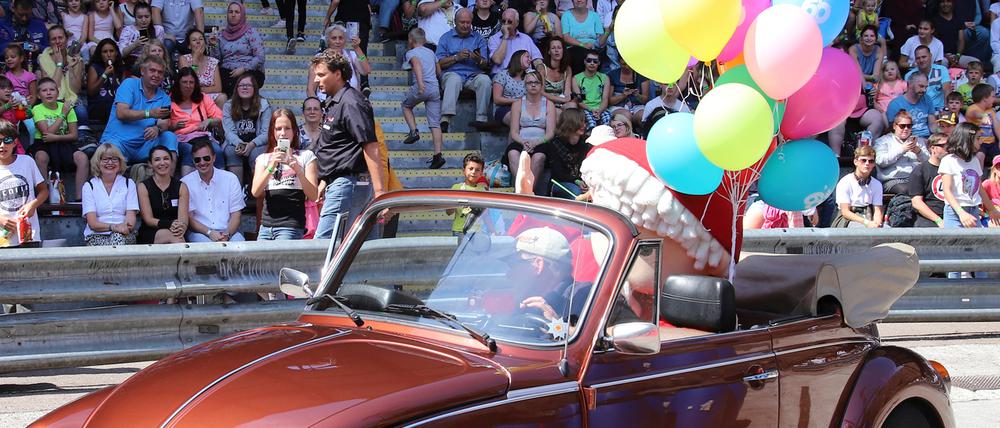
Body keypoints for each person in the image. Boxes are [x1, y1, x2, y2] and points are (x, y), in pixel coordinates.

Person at [311, 49, 386, 239]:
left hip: (349, 183)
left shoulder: (351, 102)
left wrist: (380, 192)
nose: (316, 80)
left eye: (321, 75)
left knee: (324, 246)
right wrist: (324, 179)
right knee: (360, 246)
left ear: (337, 74)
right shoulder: (335, 101)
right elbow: (336, 146)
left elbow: (370, 145)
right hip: (343, 182)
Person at [250, 109, 319, 240]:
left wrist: (297, 168)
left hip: (291, 226)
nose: (283, 133)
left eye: (287, 128)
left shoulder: (306, 156)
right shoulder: (263, 158)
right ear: (273, 132)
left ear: (294, 131)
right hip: (266, 227)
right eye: (278, 129)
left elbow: (313, 195)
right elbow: (256, 192)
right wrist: (272, 165)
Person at [102, 55, 177, 163]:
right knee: (110, 150)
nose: (156, 75)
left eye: (160, 72)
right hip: (119, 142)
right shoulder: (129, 84)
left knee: (169, 137)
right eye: (152, 70)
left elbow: (164, 123)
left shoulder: (164, 98)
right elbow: (121, 113)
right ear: (142, 71)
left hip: (144, 146)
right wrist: (149, 113)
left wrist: (157, 129)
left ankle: (169, 179)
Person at [508, 227, 589, 324]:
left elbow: (593, 338)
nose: (508, 274)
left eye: (513, 265)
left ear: (538, 265)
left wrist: (556, 325)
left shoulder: (584, 298)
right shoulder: (524, 296)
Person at [31, 78, 89, 200]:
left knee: (82, 158)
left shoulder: (67, 107)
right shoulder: (37, 109)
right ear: (39, 95)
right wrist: (62, 114)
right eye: (44, 90)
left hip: (64, 142)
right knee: (41, 157)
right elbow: (46, 134)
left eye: (52, 89)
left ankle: (80, 198)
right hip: (43, 143)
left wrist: (56, 137)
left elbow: (74, 135)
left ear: (57, 93)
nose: (48, 93)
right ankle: (44, 196)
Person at [940, 122, 1000, 240]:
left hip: (973, 210)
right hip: (955, 212)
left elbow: (980, 189)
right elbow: (947, 191)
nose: (981, 142)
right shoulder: (948, 161)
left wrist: (992, 209)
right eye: (978, 138)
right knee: (955, 247)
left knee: (974, 247)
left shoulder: (974, 160)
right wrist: (961, 213)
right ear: (967, 139)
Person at [436, 8, 492, 131]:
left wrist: (476, 59)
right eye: (462, 22)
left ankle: (481, 119)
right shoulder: (445, 38)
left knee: (485, 80)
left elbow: (485, 64)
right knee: (454, 79)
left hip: (473, 75)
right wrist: (457, 57)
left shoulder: (479, 39)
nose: (465, 25)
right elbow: (439, 63)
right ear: (455, 22)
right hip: (452, 73)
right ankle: (445, 119)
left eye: (468, 22)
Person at [182, 138, 245, 242]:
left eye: (206, 158)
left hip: (228, 231)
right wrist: (209, 232)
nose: (202, 162)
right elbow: (189, 218)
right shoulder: (185, 183)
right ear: (193, 161)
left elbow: (236, 214)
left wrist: (227, 234)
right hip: (200, 233)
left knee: (241, 245)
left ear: (214, 158)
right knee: (204, 247)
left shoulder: (230, 178)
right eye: (197, 159)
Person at [400, 28, 445, 169]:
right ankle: (438, 155)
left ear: (410, 40)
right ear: (424, 40)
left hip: (422, 86)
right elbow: (439, 71)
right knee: (435, 123)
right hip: (434, 88)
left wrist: (420, 83)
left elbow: (417, 64)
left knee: (406, 106)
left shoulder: (411, 52)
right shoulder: (431, 52)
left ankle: (414, 131)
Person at [38, 25, 89, 141]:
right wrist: (59, 64)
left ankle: (83, 139)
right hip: (52, 99)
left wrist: (70, 68)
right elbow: (52, 86)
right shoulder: (43, 58)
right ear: (49, 41)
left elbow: (76, 90)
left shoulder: (76, 59)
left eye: (60, 38)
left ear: (66, 39)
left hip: (70, 99)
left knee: (81, 111)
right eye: (53, 39)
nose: (57, 42)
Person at [0, 119, 46, 246]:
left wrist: (33, 205)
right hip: (3, 239)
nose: (2, 145)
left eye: (7, 140)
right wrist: (1, 219)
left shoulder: (27, 161)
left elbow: (44, 190)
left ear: (15, 142)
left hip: (29, 234)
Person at [82, 143, 139, 245]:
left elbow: (131, 218)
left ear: (120, 162)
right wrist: (113, 227)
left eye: (114, 159)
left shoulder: (128, 183)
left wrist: (123, 228)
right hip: (96, 235)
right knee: (116, 240)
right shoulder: (89, 186)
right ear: (98, 162)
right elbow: (92, 223)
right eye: (105, 159)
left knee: (118, 238)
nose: (110, 162)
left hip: (124, 234)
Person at [506, 70, 555, 187]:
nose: (533, 85)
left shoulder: (549, 104)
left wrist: (536, 143)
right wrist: (523, 142)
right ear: (525, 85)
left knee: (538, 157)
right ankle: (521, 188)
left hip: (542, 141)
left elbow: (550, 133)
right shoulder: (517, 104)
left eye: (537, 82)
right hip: (521, 140)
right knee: (513, 153)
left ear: (541, 85)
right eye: (530, 83)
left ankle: (528, 189)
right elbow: (513, 132)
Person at [172, 67, 224, 176]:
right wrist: (174, 126)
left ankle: (220, 184)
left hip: (202, 137)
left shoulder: (202, 98)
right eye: (184, 82)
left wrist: (209, 121)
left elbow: (220, 117)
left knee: (217, 151)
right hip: (181, 139)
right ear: (178, 83)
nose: (188, 85)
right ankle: (186, 186)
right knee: (190, 150)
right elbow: (164, 125)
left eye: (191, 82)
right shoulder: (169, 100)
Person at [222, 72, 271, 184]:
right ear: (236, 88)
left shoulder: (264, 105)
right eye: (241, 85)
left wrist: (251, 145)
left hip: (257, 143)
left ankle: (256, 191)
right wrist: (240, 144)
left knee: (257, 154)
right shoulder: (228, 105)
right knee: (231, 151)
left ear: (255, 88)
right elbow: (228, 132)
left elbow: (265, 133)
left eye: (248, 85)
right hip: (236, 143)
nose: (245, 87)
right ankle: (237, 192)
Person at [533, 107, 589, 199]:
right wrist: (577, 181)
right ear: (570, 123)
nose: (584, 125)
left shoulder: (586, 143)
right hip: (558, 183)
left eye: (584, 122)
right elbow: (559, 174)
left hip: (581, 182)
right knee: (577, 193)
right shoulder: (555, 144)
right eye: (580, 122)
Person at [137, 145, 188, 243]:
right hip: (151, 231)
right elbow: (148, 219)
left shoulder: (181, 187)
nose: (162, 163)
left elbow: (183, 219)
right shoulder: (143, 186)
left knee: (177, 236)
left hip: (175, 230)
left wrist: (181, 228)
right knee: (175, 237)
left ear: (172, 161)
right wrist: (169, 224)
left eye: (166, 159)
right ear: (150, 164)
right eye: (157, 160)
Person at [305, 25, 370, 100]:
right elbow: (310, 90)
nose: (337, 41)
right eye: (334, 38)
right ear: (328, 40)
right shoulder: (320, 58)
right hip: (326, 106)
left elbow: (366, 70)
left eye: (341, 38)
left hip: (350, 104)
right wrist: (317, 106)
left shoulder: (351, 55)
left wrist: (357, 48)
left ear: (345, 40)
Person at [874, 110, 930, 195]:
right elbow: (880, 161)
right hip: (892, 180)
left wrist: (919, 152)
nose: (906, 129)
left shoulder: (918, 141)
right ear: (894, 126)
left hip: (915, 179)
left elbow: (929, 162)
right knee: (908, 189)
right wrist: (902, 150)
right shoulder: (883, 141)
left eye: (909, 126)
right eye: (902, 126)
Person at [217, 1, 266, 97]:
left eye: (237, 12)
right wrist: (213, 45)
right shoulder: (221, 34)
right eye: (230, 12)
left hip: (249, 70)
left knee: (242, 81)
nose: (233, 15)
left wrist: (243, 69)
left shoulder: (250, 32)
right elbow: (216, 59)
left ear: (242, 14)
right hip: (228, 71)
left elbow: (260, 57)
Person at [833, 145, 883, 228]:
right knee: (862, 229)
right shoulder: (845, 182)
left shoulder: (877, 184)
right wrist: (866, 223)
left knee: (887, 230)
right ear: (855, 162)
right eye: (863, 160)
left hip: (868, 214)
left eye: (871, 161)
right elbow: (845, 212)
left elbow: (877, 210)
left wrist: (877, 223)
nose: (867, 163)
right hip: (848, 219)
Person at [908, 133, 949, 228]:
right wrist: (938, 220)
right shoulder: (920, 170)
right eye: (944, 146)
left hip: (951, 216)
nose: (948, 149)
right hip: (928, 219)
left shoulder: (953, 169)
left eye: (950, 145)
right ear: (932, 148)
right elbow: (916, 202)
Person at [87, 39, 127, 132]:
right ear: (100, 54)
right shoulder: (94, 67)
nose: (109, 55)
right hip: (99, 106)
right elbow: (91, 92)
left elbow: (123, 91)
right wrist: (105, 75)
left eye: (111, 51)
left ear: (116, 53)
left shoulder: (121, 68)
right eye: (105, 52)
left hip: (117, 107)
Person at [488, 9, 544, 76]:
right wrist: (505, 37)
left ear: (517, 23)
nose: (506, 24)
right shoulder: (493, 39)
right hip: (502, 76)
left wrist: (539, 67)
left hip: (524, 77)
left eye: (509, 21)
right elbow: (497, 60)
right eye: (503, 21)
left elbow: (537, 58)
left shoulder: (526, 39)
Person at [178, 28, 226, 107]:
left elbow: (218, 88)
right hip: (190, 95)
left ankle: (216, 119)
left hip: (208, 96)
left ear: (205, 43)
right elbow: (189, 81)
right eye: (194, 40)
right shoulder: (184, 59)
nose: (198, 42)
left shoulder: (213, 61)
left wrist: (200, 90)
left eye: (201, 39)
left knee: (222, 97)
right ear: (189, 46)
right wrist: (195, 60)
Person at [560, 0, 607, 74]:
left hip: (593, 47)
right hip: (574, 48)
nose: (579, 0)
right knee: (580, 55)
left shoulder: (595, 15)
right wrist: (582, 44)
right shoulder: (566, 15)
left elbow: (600, 36)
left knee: (597, 55)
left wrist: (594, 45)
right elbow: (566, 37)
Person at [887, 72, 935, 140]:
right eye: (921, 86)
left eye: (926, 87)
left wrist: (940, 131)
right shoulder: (895, 104)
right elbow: (894, 131)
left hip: (928, 138)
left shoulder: (927, 99)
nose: (924, 90)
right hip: (907, 139)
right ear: (910, 85)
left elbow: (932, 124)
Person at [117, 2, 165, 68]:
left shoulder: (158, 30)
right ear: (135, 17)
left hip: (154, 59)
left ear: (151, 16)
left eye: (147, 16)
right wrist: (135, 45)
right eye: (140, 17)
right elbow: (121, 53)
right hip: (134, 60)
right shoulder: (128, 30)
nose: (143, 20)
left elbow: (161, 51)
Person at [572, 50, 611, 131]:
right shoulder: (576, 78)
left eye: (595, 61)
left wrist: (599, 111)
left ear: (599, 63)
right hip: (585, 109)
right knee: (591, 126)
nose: (592, 63)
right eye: (589, 60)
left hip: (601, 109)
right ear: (584, 61)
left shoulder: (605, 78)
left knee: (608, 126)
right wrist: (591, 109)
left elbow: (605, 99)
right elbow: (579, 101)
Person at [448, 153, 486, 235]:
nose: (473, 172)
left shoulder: (483, 190)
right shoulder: (456, 188)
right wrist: (457, 202)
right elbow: (448, 212)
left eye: (477, 170)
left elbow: (486, 214)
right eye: (471, 168)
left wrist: (493, 230)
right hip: (458, 230)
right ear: (464, 170)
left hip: (477, 232)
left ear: (481, 173)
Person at [964, 83, 999, 165]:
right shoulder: (972, 108)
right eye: (993, 96)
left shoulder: (991, 110)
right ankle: (979, 176)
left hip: (991, 143)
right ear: (985, 99)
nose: (994, 99)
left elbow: (996, 125)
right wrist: (983, 116)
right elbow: (975, 113)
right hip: (977, 142)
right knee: (980, 156)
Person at [606, 59, 648, 125]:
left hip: (637, 106)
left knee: (643, 116)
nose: (627, 67)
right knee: (626, 116)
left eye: (629, 64)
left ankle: (642, 134)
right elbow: (610, 101)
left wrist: (637, 95)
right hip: (618, 106)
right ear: (619, 62)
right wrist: (623, 95)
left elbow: (645, 100)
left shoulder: (641, 74)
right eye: (624, 64)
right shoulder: (612, 75)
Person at [492, 49, 528, 125]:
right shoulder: (503, 74)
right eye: (527, 57)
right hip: (504, 108)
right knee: (518, 120)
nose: (530, 59)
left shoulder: (528, 76)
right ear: (518, 58)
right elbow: (497, 99)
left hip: (524, 108)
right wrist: (518, 101)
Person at [539, 37, 575, 111]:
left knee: (573, 106)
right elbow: (541, 92)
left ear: (563, 51)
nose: (556, 51)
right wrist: (560, 100)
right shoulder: (542, 68)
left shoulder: (567, 69)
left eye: (559, 48)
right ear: (549, 51)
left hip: (561, 102)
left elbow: (567, 91)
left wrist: (567, 98)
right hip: (545, 102)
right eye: (553, 48)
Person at [874, 61, 906, 129]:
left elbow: (907, 96)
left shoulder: (902, 83)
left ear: (897, 71)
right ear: (883, 73)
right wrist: (877, 107)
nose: (889, 71)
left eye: (892, 69)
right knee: (883, 115)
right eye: (886, 70)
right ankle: (888, 129)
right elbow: (873, 99)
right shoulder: (880, 85)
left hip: (898, 109)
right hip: (883, 109)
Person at [982, 155, 1000, 227]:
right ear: (994, 169)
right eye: (999, 167)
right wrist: (986, 214)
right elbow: (976, 206)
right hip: (989, 219)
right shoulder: (987, 184)